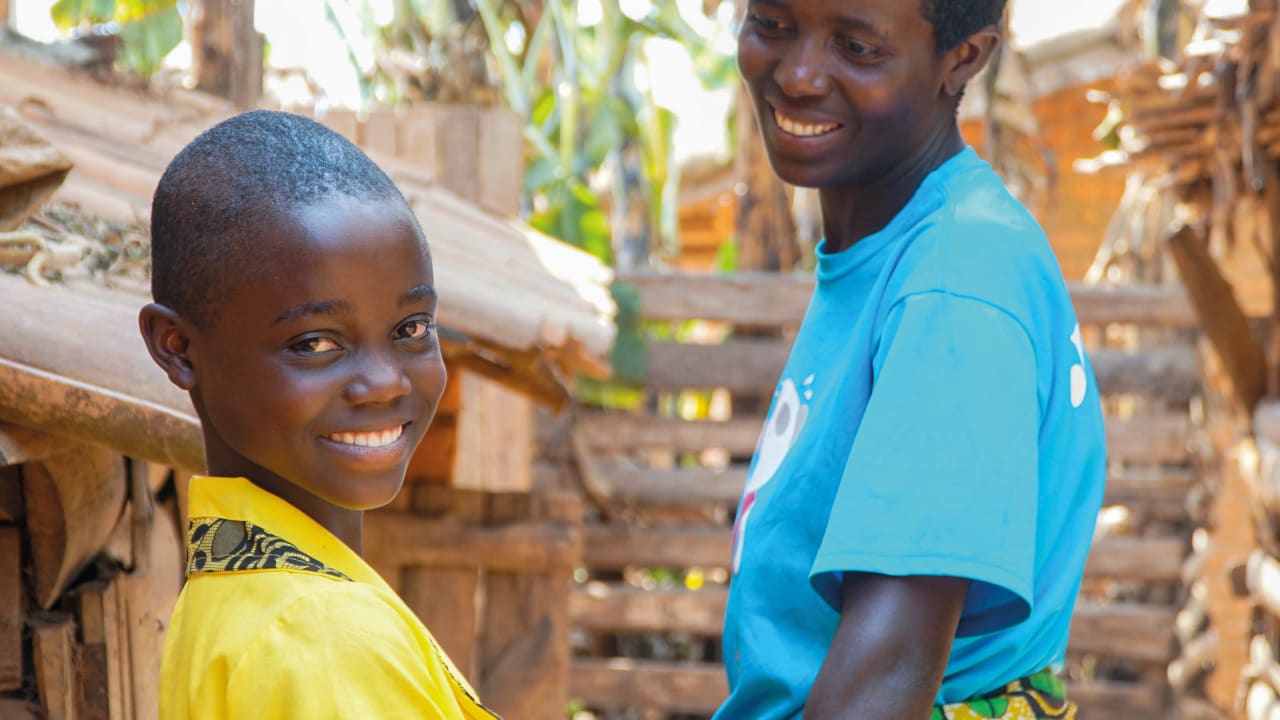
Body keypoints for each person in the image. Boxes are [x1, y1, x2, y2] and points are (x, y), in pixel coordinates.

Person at [717, 1, 1107, 719]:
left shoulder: (956, 280)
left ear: (964, 58)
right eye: (772, 25)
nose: (798, 75)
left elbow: (882, 683)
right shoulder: (895, 253)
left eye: (856, 48)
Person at [140, 110, 498, 720]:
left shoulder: (236, 600)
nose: (384, 383)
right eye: (314, 343)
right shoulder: (323, 637)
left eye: (411, 328)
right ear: (178, 348)